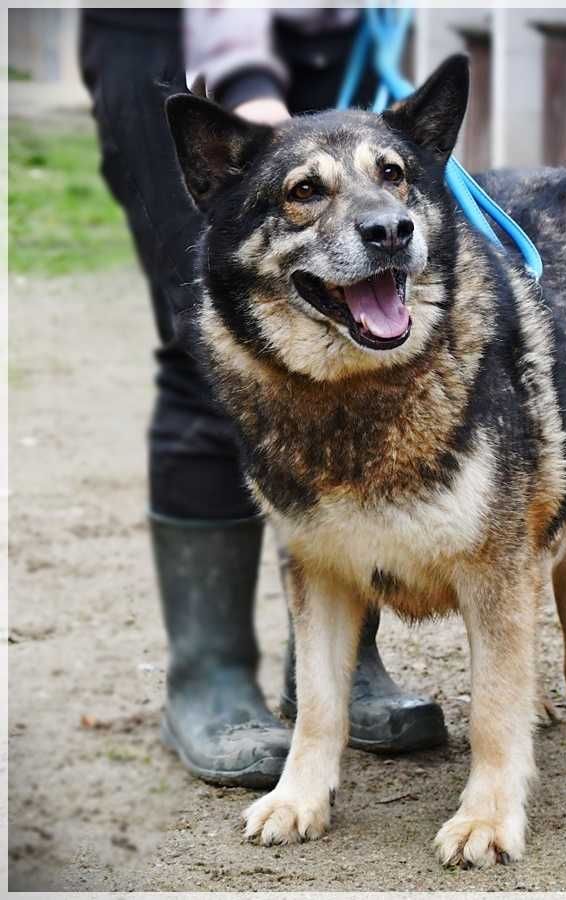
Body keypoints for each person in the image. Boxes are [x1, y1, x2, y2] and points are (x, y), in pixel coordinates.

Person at [78, 8, 447, 789]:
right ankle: (209, 676)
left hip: (330, 32)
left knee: (369, 358)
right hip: (177, 42)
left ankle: (340, 664)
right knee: (209, 342)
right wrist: (245, 81)